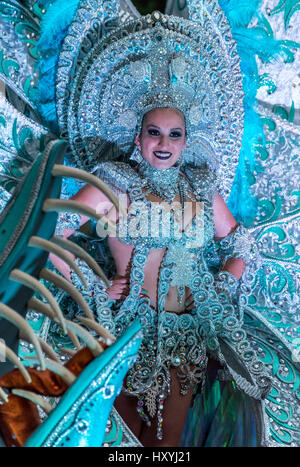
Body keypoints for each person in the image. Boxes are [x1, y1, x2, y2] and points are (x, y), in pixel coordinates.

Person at [50, 106, 248, 447]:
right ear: (138, 138)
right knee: (122, 440)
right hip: (126, 328)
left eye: (175, 134)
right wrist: (95, 286)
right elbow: (53, 232)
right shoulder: (115, 183)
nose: (164, 143)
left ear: (186, 143)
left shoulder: (200, 189)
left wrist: (218, 288)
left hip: (185, 333)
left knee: (166, 443)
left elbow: (241, 246)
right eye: (154, 132)